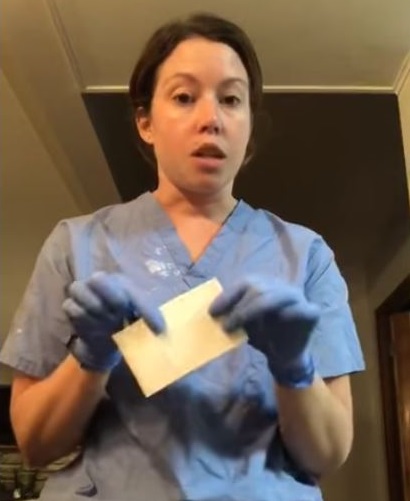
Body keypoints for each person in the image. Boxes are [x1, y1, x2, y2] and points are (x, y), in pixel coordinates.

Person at [0, 12, 365, 501]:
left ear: (249, 126)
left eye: (231, 99)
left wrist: (293, 366)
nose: (211, 118)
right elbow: (35, 443)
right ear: (145, 122)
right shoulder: (77, 245)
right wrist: (91, 357)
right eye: (184, 97)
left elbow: (327, 454)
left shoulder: (306, 256)